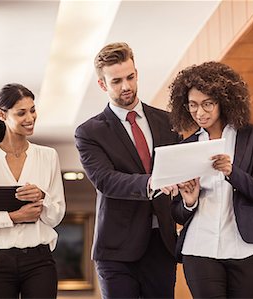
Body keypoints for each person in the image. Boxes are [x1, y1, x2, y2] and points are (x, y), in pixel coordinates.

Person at [74, 42, 179, 299]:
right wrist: (150, 183)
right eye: (117, 81)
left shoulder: (167, 122)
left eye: (130, 77)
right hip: (116, 250)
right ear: (102, 85)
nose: (126, 86)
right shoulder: (89, 132)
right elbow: (105, 180)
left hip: (161, 244)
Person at [166, 61, 253, 298]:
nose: (200, 112)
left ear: (224, 101)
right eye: (193, 105)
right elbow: (177, 214)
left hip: (244, 245)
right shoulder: (185, 147)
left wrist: (232, 172)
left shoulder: (252, 136)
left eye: (208, 104)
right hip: (200, 247)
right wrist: (189, 201)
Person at [0, 83, 66, 299]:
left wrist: (43, 198)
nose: (31, 118)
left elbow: (56, 216)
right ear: (2, 115)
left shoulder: (48, 156)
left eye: (33, 110)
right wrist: (12, 217)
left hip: (39, 261)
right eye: (21, 113)